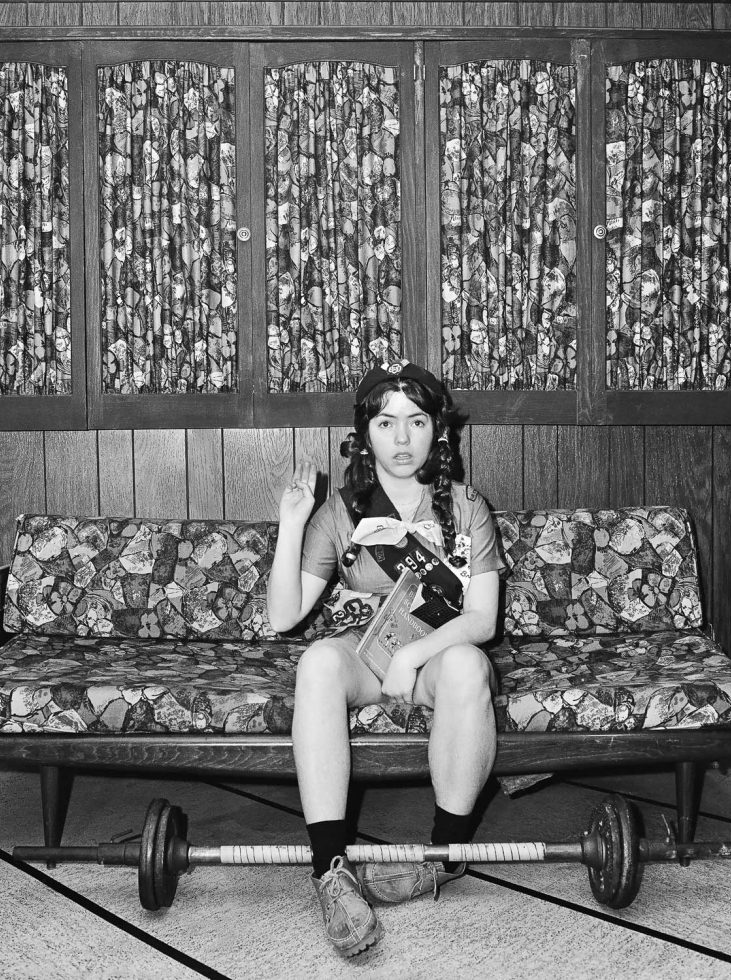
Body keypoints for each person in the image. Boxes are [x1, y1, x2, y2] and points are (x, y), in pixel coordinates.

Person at [267, 360, 502, 957]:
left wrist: (415, 654)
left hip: (435, 659)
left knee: (469, 665)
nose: (402, 438)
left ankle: (443, 856)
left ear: (438, 430)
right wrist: (292, 523)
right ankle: (331, 871)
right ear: (365, 435)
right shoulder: (341, 511)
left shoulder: (468, 507)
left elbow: (482, 619)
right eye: (386, 423)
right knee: (317, 662)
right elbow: (284, 616)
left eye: (416, 421)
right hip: (365, 656)